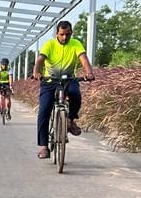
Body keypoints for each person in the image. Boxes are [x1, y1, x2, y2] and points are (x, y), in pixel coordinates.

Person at [32, 20, 95, 159]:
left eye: (68, 34)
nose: (65, 37)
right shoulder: (49, 44)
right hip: (50, 81)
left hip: (69, 79)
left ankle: (70, 121)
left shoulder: (75, 44)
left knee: (76, 94)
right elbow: (40, 61)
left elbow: (83, 59)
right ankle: (43, 147)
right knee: (44, 111)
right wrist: (37, 72)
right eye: (62, 34)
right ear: (57, 34)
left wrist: (89, 72)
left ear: (71, 33)